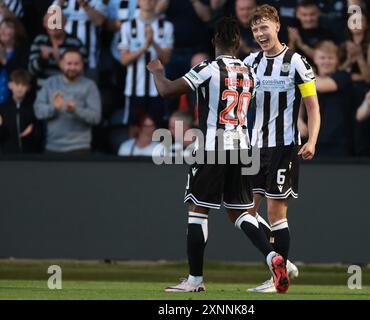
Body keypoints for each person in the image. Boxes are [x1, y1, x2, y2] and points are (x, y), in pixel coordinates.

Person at [147, 17, 288, 293]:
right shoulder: (249, 73)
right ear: (238, 43)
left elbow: (166, 91)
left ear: (214, 42)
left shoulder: (207, 69)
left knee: (197, 211)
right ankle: (273, 257)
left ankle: (195, 280)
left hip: (213, 146)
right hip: (243, 148)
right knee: (241, 212)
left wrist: (156, 71)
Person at [243, 4, 320, 293]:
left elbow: (312, 106)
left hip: (284, 146)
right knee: (245, 212)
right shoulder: (251, 62)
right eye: (255, 29)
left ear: (277, 26)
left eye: (264, 27)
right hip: (254, 146)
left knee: (277, 214)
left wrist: (311, 140)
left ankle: (277, 281)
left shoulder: (297, 62)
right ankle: (281, 264)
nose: (260, 34)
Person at [34, 48, 101, 154]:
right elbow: (38, 112)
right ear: (61, 64)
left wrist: (76, 110)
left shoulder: (89, 86)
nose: (72, 67)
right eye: (69, 63)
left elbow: (96, 118)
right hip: (52, 147)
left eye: (76, 64)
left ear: (82, 65)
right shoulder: (50, 83)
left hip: (80, 148)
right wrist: (54, 108)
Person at [119, 0, 174, 126]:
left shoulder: (166, 26)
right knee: (134, 129)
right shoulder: (127, 26)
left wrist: (153, 43)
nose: (148, 1)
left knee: (159, 129)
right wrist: (144, 47)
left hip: (158, 89)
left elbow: (166, 59)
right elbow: (124, 60)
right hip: (134, 89)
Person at [301, 41, 353, 156]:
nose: (326, 61)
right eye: (322, 57)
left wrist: (303, 71)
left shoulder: (343, 76)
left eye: (330, 58)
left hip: (338, 141)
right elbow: (299, 99)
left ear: (337, 60)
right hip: (311, 141)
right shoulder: (307, 78)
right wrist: (298, 120)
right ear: (315, 59)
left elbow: (322, 85)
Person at [339, 10, 370, 156]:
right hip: (345, 91)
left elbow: (369, 77)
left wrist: (359, 56)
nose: (356, 24)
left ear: (367, 24)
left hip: (362, 91)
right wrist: (350, 59)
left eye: (360, 20)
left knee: (361, 128)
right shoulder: (343, 44)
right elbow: (338, 73)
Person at [29, 9, 87, 90]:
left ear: (65, 22)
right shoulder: (39, 41)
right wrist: (42, 59)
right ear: (44, 24)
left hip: (69, 91)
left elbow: (82, 71)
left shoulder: (76, 43)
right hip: (44, 91)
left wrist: (60, 61)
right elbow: (31, 70)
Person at [54, 0, 108, 81]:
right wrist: (59, 4)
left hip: (90, 60)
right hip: (63, 59)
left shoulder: (97, 1)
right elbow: (49, 21)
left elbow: (99, 21)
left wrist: (84, 4)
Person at [0, 69, 41, 153]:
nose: (20, 88)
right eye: (17, 84)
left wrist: (31, 133)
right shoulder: (2, 108)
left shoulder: (33, 108)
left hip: (29, 155)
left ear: (28, 87)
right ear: (10, 85)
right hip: (6, 155)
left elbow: (39, 135)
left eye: (23, 85)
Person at [287, 0, 333, 66]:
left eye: (312, 14)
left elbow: (324, 59)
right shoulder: (292, 32)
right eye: (304, 15)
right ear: (297, 15)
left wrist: (301, 45)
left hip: (318, 72)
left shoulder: (326, 33)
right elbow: (286, 61)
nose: (308, 19)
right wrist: (292, 42)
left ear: (319, 13)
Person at [0, 17, 28, 104]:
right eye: (1, 27)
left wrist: (5, 61)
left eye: (7, 27)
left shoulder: (22, 51)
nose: (2, 30)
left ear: (16, 31)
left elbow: (21, 76)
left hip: (12, 103)